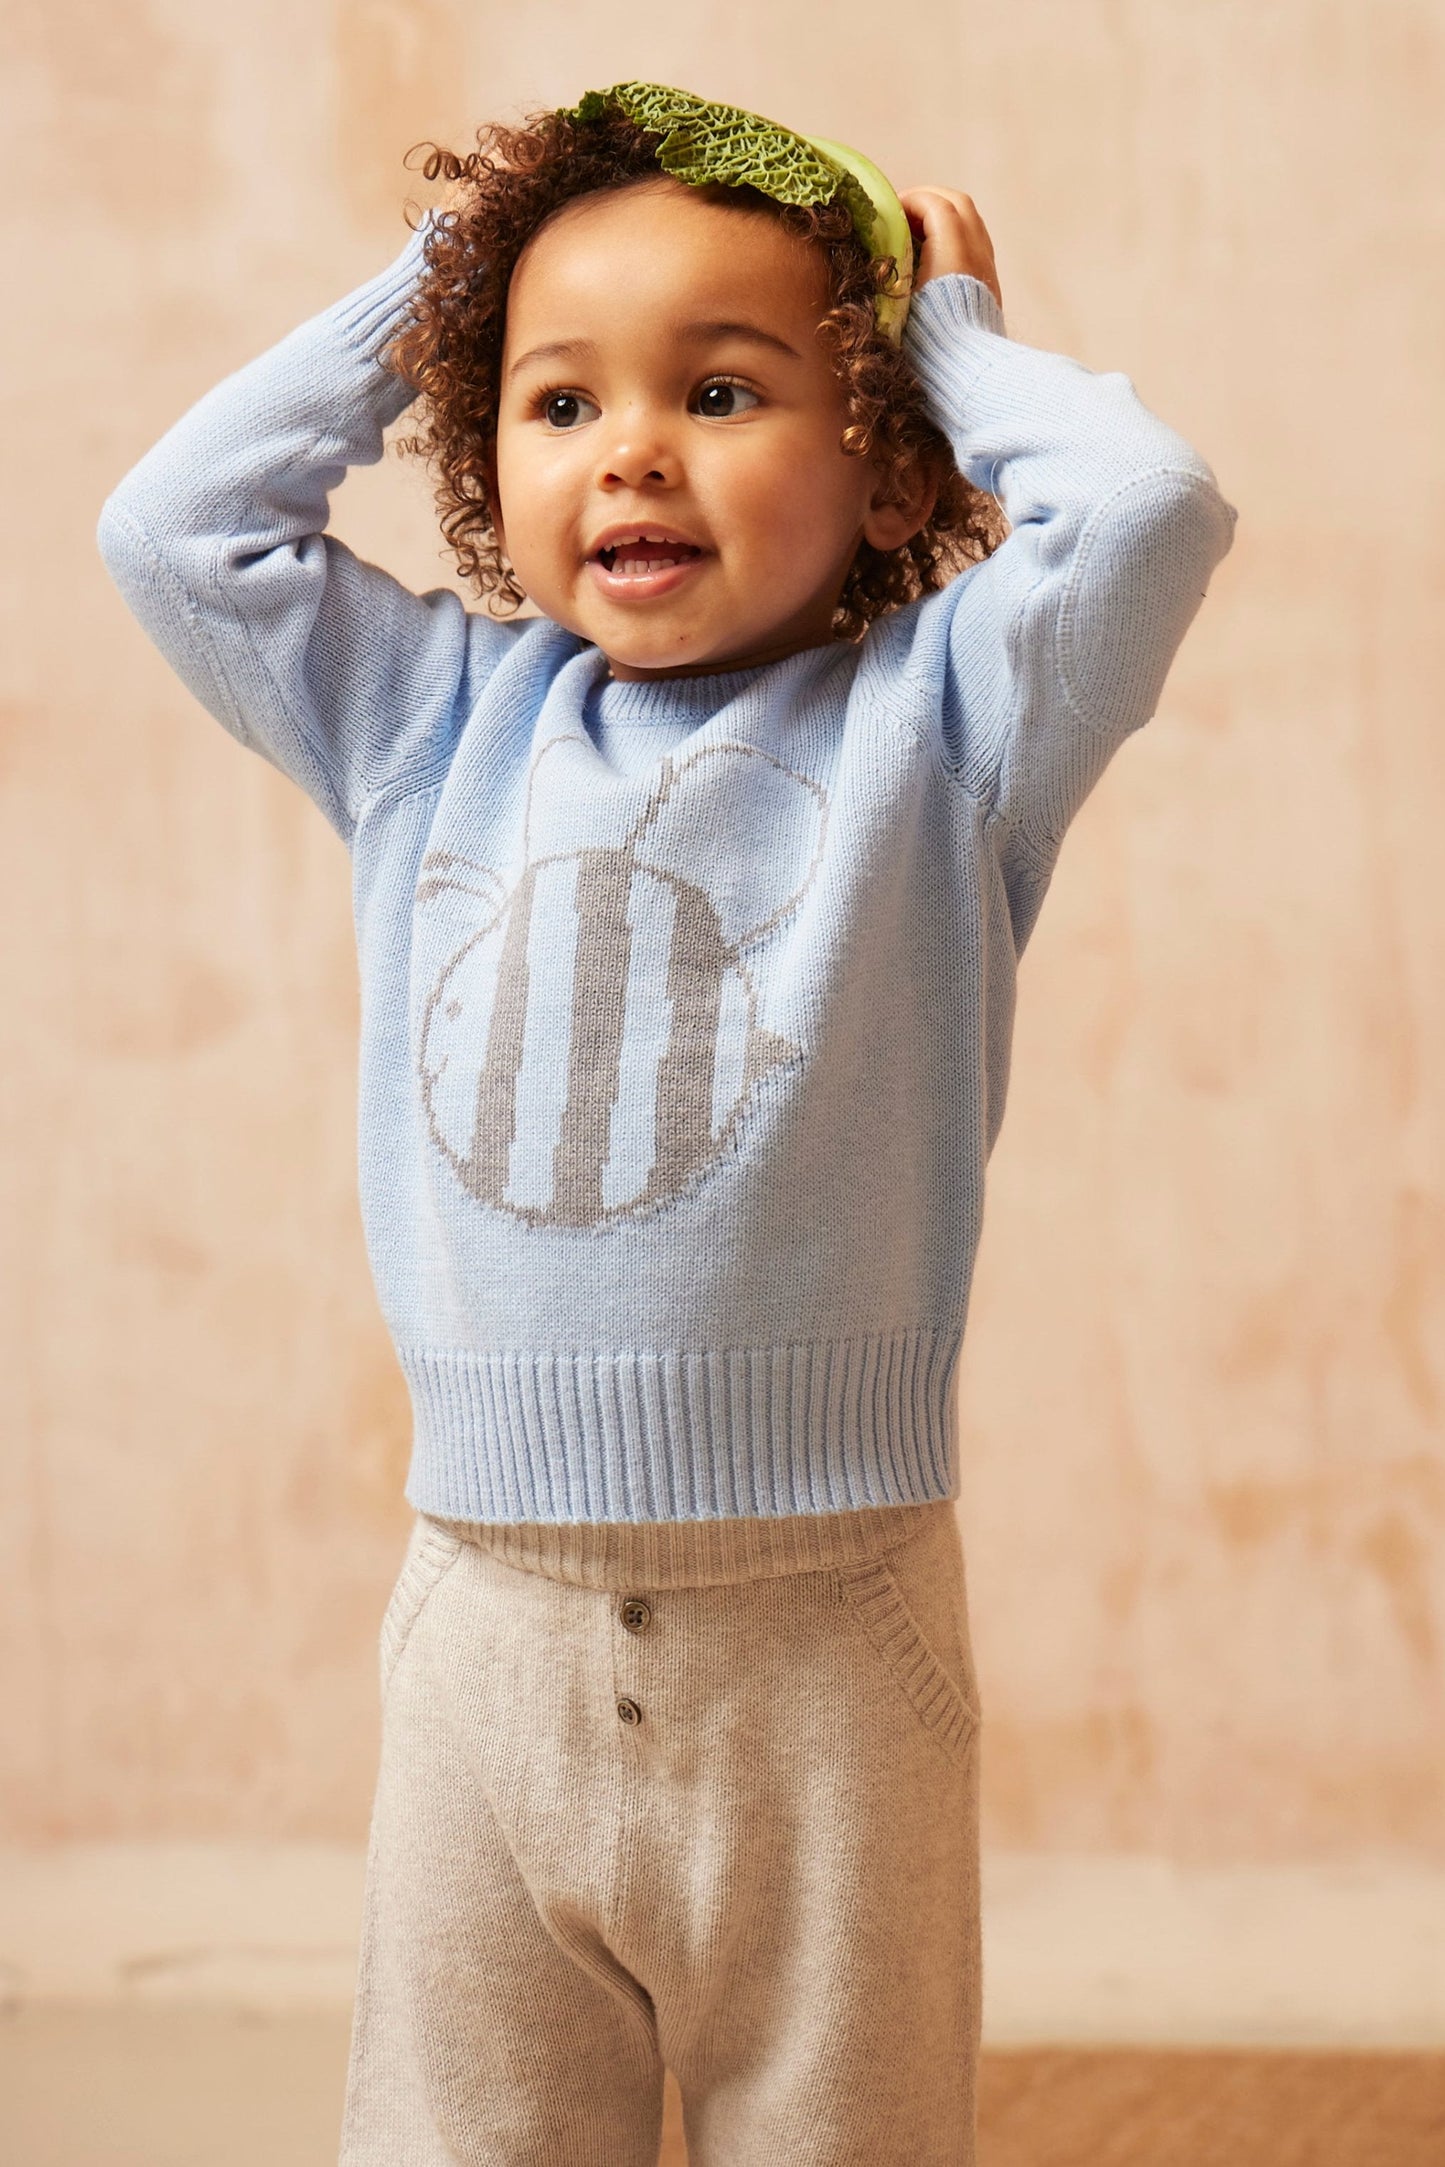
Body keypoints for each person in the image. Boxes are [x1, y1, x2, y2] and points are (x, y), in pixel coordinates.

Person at [96, 82, 1236, 2167]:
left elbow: (1148, 509)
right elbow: (171, 530)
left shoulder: (948, 727)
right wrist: (435, 291)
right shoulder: (426, 722)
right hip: (487, 1624)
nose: (629, 448)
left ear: (889, 465)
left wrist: (952, 343)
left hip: (831, 1636)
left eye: (720, 391)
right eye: (557, 401)